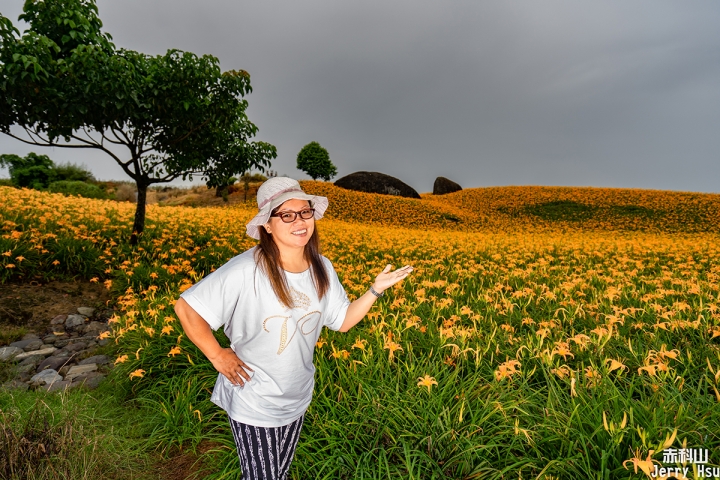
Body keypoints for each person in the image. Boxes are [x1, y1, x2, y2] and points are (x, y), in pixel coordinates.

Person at [174, 177, 413, 480]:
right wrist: (217, 355)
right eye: (286, 214)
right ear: (268, 225)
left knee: (280, 473)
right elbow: (186, 308)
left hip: (296, 395)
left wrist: (374, 290)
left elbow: (341, 321)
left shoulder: (321, 267)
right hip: (255, 398)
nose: (299, 221)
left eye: (305, 212)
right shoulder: (246, 269)